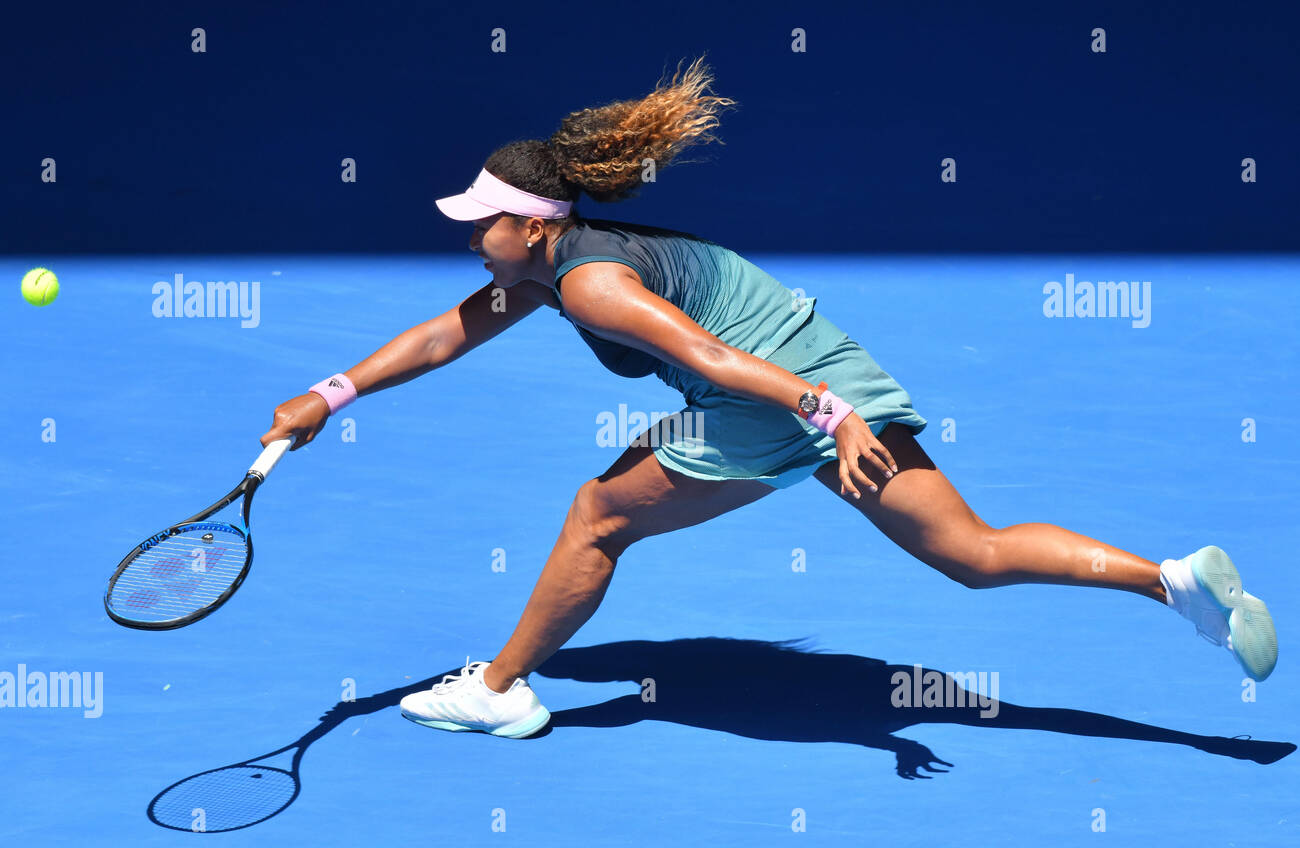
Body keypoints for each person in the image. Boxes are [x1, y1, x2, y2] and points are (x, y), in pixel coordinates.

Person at [260, 58, 1277, 740]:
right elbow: (448, 331)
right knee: (972, 553)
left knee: (596, 514)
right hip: (825, 364)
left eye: (482, 221)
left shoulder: (591, 283)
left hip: (784, 394)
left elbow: (706, 351)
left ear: (531, 228)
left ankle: (497, 691)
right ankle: (1170, 581)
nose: (468, 232)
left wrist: (825, 418)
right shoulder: (546, 269)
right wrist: (329, 392)